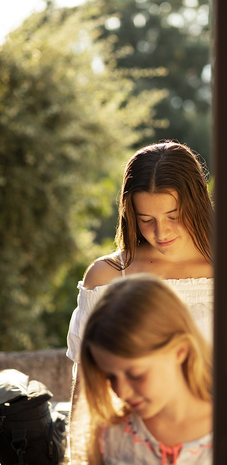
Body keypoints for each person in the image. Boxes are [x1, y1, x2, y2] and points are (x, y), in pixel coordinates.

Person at [66, 140, 214, 379]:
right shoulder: (106, 278)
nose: (161, 232)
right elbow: (86, 390)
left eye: (173, 216)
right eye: (146, 219)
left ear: (197, 205)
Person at [71, 274, 212, 465]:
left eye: (135, 375)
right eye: (110, 376)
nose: (121, 391)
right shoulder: (109, 434)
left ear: (180, 351)